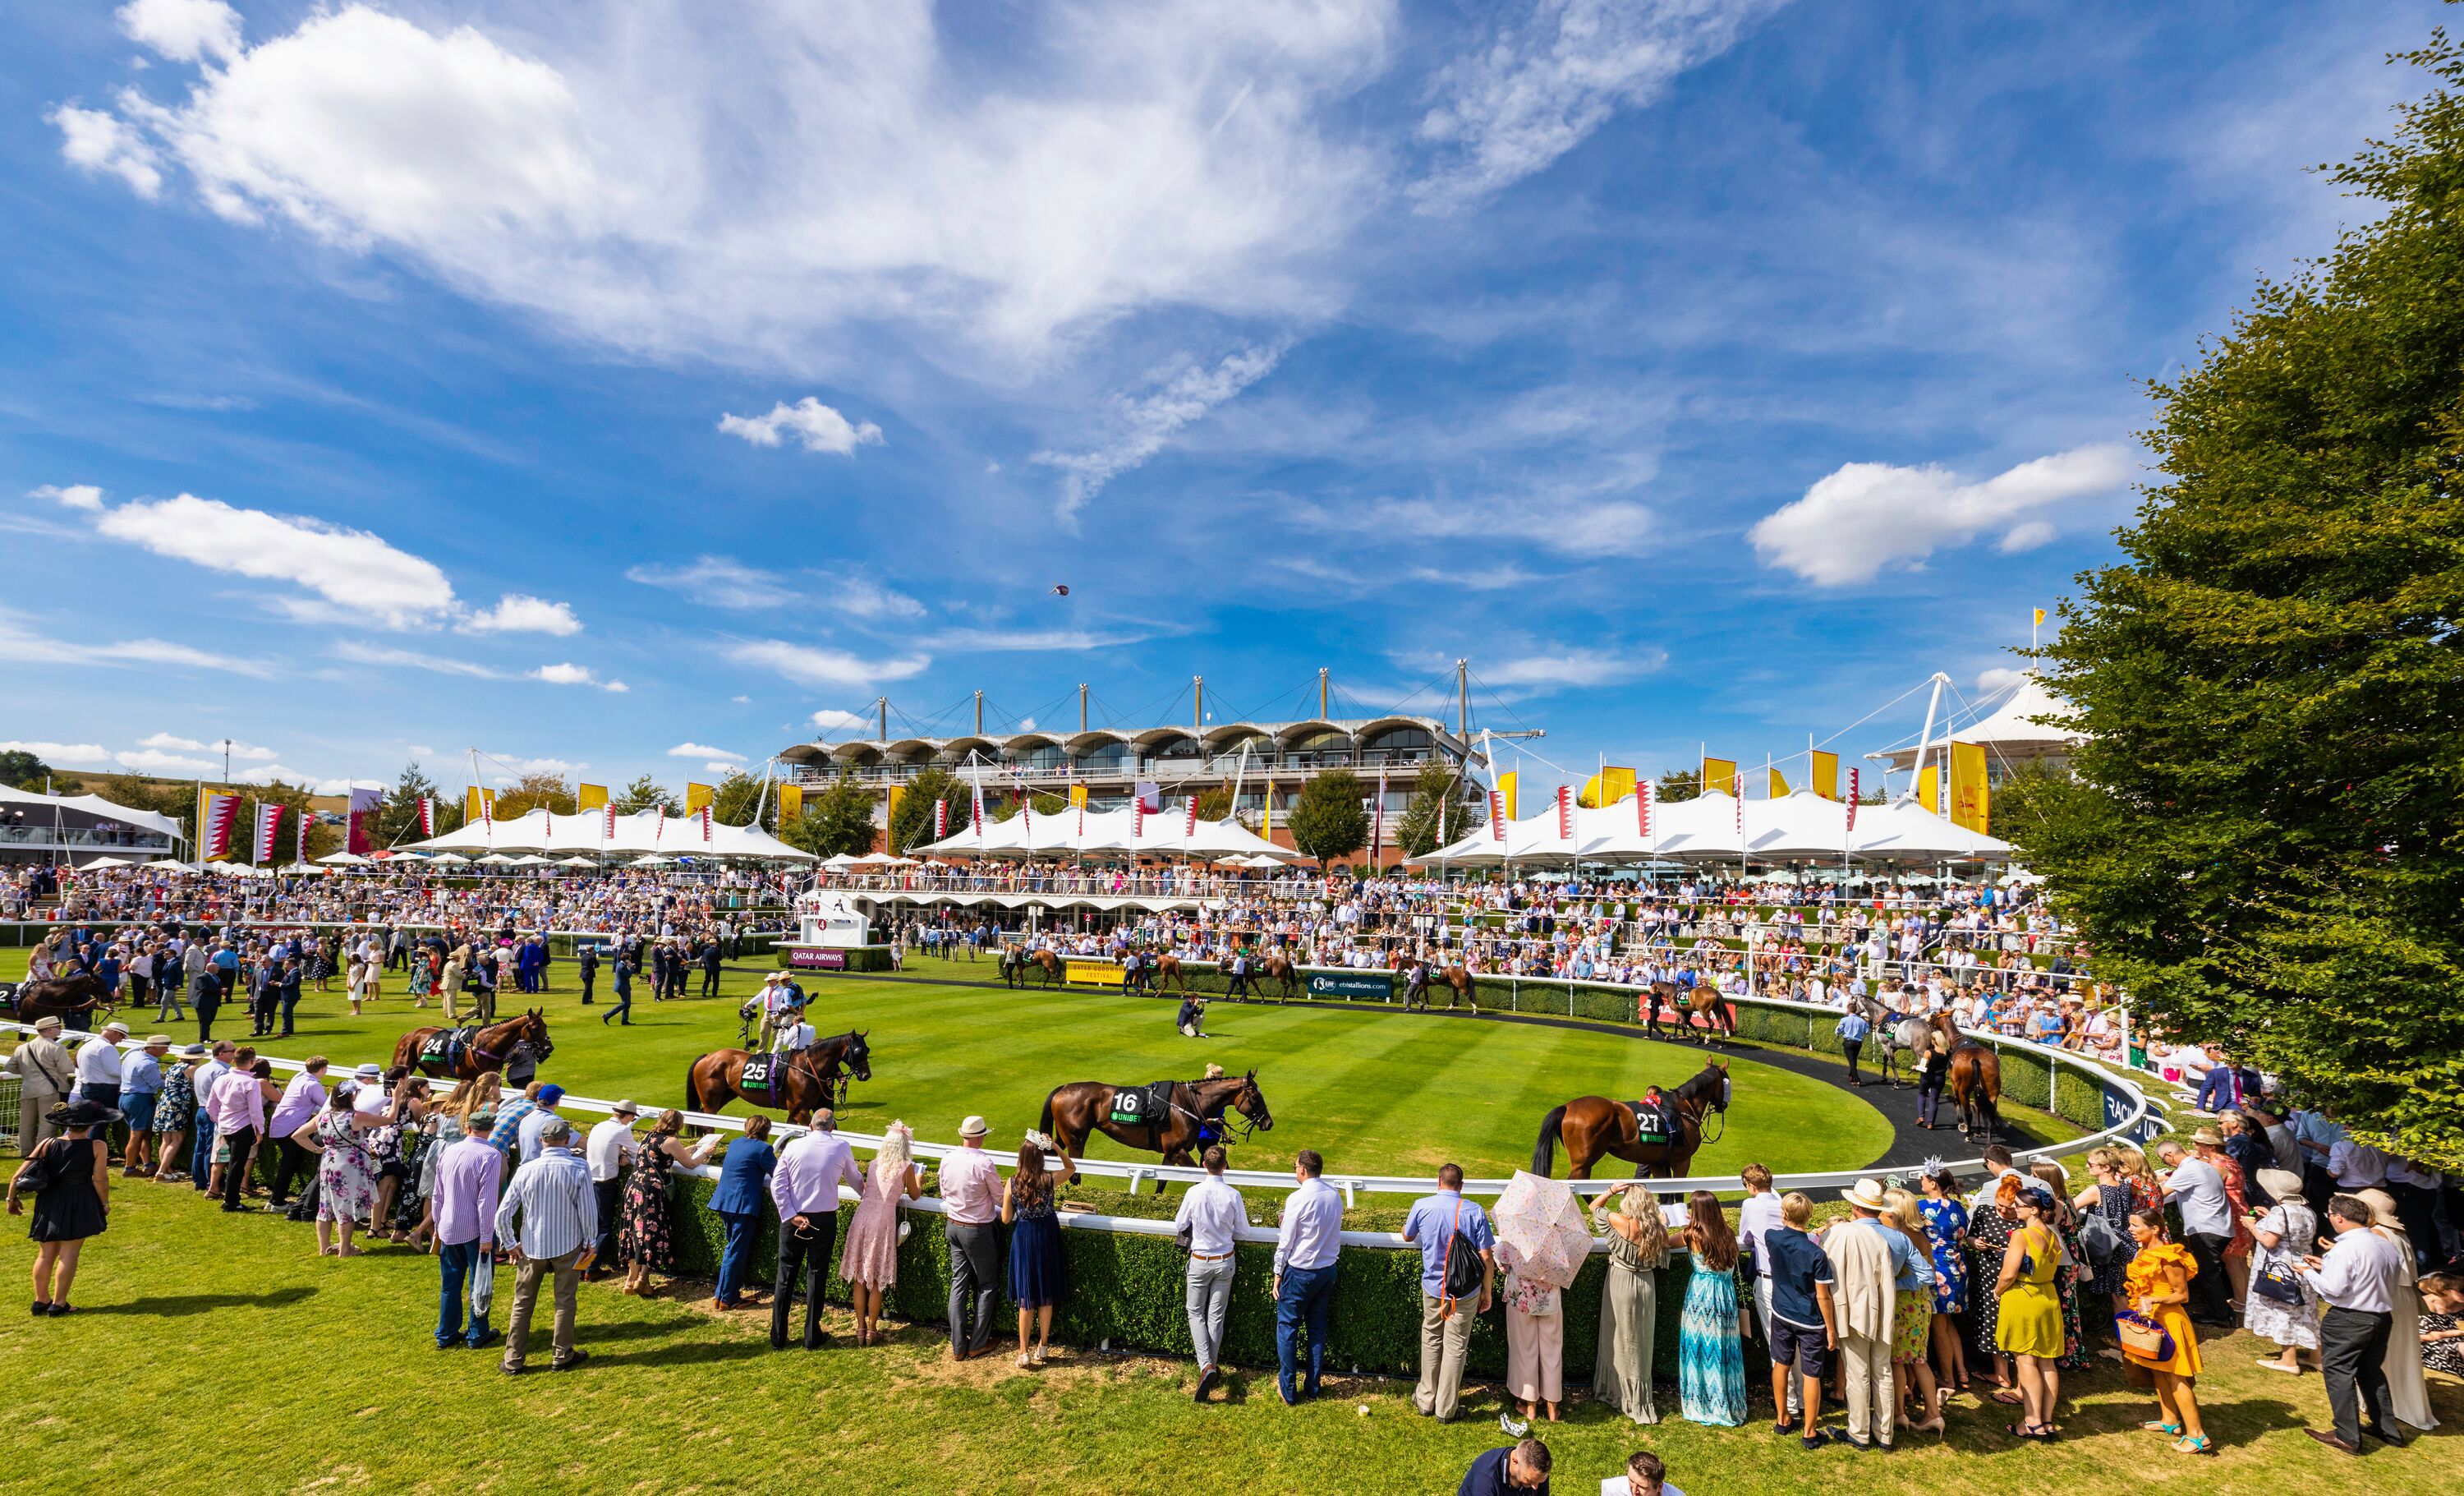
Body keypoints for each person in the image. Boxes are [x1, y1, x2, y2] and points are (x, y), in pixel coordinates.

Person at [2301, 1193, 2409, 1453]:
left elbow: (2333, 1290)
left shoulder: (2345, 1248)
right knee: (2371, 1373)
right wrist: (2325, 1265)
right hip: (2381, 1317)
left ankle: (2347, 1434)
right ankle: (2387, 1429)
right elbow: (2370, 1276)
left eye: (2330, 1215)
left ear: (2338, 1218)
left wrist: (2308, 1273)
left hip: (2349, 1319)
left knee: (2339, 1373)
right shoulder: (2385, 1244)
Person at [494, 1116, 597, 1374]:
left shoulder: (526, 1169)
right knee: (565, 1301)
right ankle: (561, 1355)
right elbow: (587, 1211)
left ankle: (514, 1360)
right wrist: (590, 1242)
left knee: (523, 1303)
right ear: (566, 1140)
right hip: (568, 1244)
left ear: (542, 1141)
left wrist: (510, 1244)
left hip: (531, 1247)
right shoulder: (578, 1167)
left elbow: (502, 1215)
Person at [1404, 1162, 1497, 1424]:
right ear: (1461, 1185)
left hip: (1434, 1289)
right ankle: (1446, 1409)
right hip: (1465, 1293)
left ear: (1439, 1182)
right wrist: (1487, 1291)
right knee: (1456, 1347)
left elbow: (1407, 1236)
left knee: (1432, 1339)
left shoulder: (1422, 1205)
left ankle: (1425, 1400)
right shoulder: (1475, 1211)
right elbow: (1487, 1256)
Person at [1825, 1178, 1909, 1450]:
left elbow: (1828, 1273)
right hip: (1881, 1309)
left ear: (1855, 1206)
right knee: (1882, 1371)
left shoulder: (1841, 1233)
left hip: (1852, 1311)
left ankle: (1859, 1433)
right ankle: (1884, 1434)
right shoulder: (1879, 1235)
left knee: (1858, 1372)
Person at [770, 1107, 864, 1351]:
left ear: (811, 1126)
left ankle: (778, 1336)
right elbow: (855, 1179)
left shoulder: (792, 1146)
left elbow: (777, 1184)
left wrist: (791, 1215)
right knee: (816, 1274)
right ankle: (812, 1335)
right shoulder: (841, 1146)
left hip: (794, 1219)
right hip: (822, 1220)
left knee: (786, 1276)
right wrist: (871, 1197)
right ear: (832, 1127)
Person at [9, 1098, 112, 1316]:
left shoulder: (47, 1143)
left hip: (49, 1200)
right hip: (79, 1199)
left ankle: (41, 1300)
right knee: (69, 1253)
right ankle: (59, 1303)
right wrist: (104, 1203)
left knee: (45, 1254)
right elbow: (100, 1180)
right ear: (91, 1124)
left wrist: (11, 1199)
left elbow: (17, 1176)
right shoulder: (97, 1146)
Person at [2120, 1206, 2209, 1453]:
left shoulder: (2170, 1256)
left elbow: (2182, 1294)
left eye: (2136, 1225)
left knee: (2176, 1376)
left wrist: (2154, 1300)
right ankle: (2169, 1420)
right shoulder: (2142, 1252)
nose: (2131, 1229)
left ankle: (2197, 1435)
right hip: (2151, 1319)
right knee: (2157, 1370)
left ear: (2155, 1229)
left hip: (2170, 1321)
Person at [2353, 1188, 2438, 1433]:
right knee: (2401, 1352)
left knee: (2383, 1353)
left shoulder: (2378, 1234)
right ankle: (2401, 1402)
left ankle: (2389, 1404)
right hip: (2404, 1297)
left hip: (2390, 1296)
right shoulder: (2398, 1232)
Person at [615, 1109, 723, 1296]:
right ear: (678, 1125)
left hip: (633, 1187)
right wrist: (705, 1153)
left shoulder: (650, 1136)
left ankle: (630, 1279)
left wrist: (691, 1149)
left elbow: (664, 1156)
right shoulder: (671, 1141)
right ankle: (643, 1280)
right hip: (650, 1191)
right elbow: (690, 1164)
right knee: (650, 1234)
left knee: (634, 1231)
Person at [1759, 1190, 1837, 1449]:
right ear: (1809, 1216)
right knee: (1811, 1374)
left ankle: (1783, 1419)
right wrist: (1831, 1330)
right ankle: (1810, 1431)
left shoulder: (1773, 1238)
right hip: (1810, 1319)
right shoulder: (1816, 1255)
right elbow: (1824, 1297)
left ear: (1784, 1214)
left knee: (1781, 1364)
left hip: (1781, 1312)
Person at [1589, 1181, 1669, 1425]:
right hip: (1646, 1283)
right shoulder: (1657, 1228)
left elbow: (1594, 1207)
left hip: (1620, 1281)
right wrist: (1662, 1220)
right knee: (1640, 1342)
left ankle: (1613, 1391)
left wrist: (1611, 1190)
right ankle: (1638, 1400)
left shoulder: (1620, 1221)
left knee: (1615, 1336)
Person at [1992, 1179, 2066, 1440]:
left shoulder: (2021, 1235)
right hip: (2048, 1297)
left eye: (2020, 1205)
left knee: (2025, 1361)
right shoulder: (2053, 1236)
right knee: (2047, 1362)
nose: (2015, 1208)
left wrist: (1997, 1291)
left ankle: (2032, 1421)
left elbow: (2009, 1272)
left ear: (2034, 1210)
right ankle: (2046, 1420)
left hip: (2024, 1298)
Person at [1174, 1142, 1245, 1401]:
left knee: (1195, 1313)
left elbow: (1180, 1223)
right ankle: (1210, 1367)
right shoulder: (1233, 1195)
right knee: (1215, 1316)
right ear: (1224, 1166)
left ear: (1204, 1165)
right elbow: (1245, 1231)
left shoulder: (1194, 1193)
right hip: (1225, 1261)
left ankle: (1206, 1367)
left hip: (1201, 1260)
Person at [1272, 1147, 1344, 1405]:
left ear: (1302, 1169)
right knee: (1316, 1329)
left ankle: (1288, 1390)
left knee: (1288, 1327)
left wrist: (1277, 1273)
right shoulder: (1335, 1196)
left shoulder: (1297, 1198)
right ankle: (1313, 1388)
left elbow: (1286, 1242)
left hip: (1301, 1272)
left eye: (1294, 1167)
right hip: (1326, 1272)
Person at [430, 1104, 503, 1349]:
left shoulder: (449, 1151)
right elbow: (486, 1201)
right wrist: (486, 1237)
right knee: (479, 1283)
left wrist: (438, 1226)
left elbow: (437, 1195)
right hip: (474, 1230)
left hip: (449, 1226)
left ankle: (446, 1333)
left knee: (450, 1285)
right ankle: (477, 1333)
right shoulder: (490, 1155)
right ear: (491, 1129)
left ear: (468, 1127)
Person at [844, 1120, 923, 1345]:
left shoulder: (874, 1163)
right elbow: (915, 1195)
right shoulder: (906, 1165)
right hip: (882, 1220)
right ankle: (871, 1329)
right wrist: (919, 1179)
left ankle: (860, 1329)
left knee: (860, 1276)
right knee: (877, 1277)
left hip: (863, 1216)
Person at [1676, 1189, 1749, 1427]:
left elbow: (1665, 1243)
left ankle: (1704, 1401)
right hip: (1725, 1295)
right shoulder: (1726, 1233)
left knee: (1698, 1347)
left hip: (1702, 1295)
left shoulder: (1692, 1235)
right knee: (1724, 1347)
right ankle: (1726, 1399)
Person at [1732, 1162, 1799, 1421]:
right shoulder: (1783, 1201)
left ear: (1750, 1186)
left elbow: (1745, 1237)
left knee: (1778, 1344)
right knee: (1797, 1342)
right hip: (1793, 1280)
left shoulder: (1751, 1205)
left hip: (1770, 1280)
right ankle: (1800, 1400)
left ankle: (1789, 1405)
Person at [936, 1114, 1003, 1361]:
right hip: (977, 1230)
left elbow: (944, 1191)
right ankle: (977, 1343)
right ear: (981, 1137)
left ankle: (958, 1346)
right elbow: (999, 1198)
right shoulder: (984, 1163)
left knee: (959, 1283)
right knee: (987, 1285)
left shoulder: (948, 1158)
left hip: (953, 1226)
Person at [1879, 1188, 1946, 1436]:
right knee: (1919, 1361)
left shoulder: (1899, 1237)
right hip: (1921, 1303)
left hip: (1903, 1303)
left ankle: (1899, 1414)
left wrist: (1895, 1285)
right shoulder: (1920, 1236)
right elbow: (1930, 1272)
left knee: (1896, 1360)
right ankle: (1932, 1413)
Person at [2246, 1167, 2322, 1374]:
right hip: (2303, 1265)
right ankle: (2317, 1357)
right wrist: (2270, 1216)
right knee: (2306, 1310)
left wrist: (2251, 1226)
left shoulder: (2282, 1211)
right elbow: (2293, 1232)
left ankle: (2289, 1361)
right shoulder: (2307, 1210)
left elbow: (2270, 1242)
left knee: (2284, 1311)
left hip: (2281, 1267)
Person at [1004, 1131, 1069, 1367]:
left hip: (1024, 1237)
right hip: (1047, 1235)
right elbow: (1071, 1168)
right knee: (1046, 1294)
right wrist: (1056, 1147)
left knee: (1026, 1296)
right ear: (1040, 1157)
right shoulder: (1049, 1180)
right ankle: (1043, 1346)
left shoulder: (1012, 1183)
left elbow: (1005, 1218)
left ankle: (1023, 1351)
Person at [2156, 1140, 2236, 1326]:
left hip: (2206, 1228)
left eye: (2164, 1159)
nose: (2166, 1163)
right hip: (2219, 1226)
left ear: (2169, 1155)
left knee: (2209, 1273)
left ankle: (2221, 1315)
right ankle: (2223, 1309)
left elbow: (2158, 1193)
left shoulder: (2187, 1171)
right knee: (2213, 1271)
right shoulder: (2203, 1165)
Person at [1497, 1223, 1565, 1433]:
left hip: (1521, 1300)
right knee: (1552, 1352)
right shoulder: (1556, 1234)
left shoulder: (1514, 1233)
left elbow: (1502, 1264)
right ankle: (1553, 1408)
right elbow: (1566, 1266)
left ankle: (1530, 1407)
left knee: (1524, 1351)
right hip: (1550, 1301)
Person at [708, 1115, 776, 1311]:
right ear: (766, 1131)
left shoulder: (736, 1143)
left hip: (725, 1201)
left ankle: (722, 1295)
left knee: (731, 1249)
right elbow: (779, 1173)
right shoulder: (764, 1149)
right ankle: (729, 1298)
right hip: (742, 1206)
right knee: (736, 1251)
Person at [205, 1044, 266, 1212]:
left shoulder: (222, 1079)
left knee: (234, 1163)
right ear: (252, 1062)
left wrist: (220, 1122)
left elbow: (211, 1106)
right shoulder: (250, 1083)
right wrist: (260, 1130)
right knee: (236, 1165)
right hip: (242, 1128)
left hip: (226, 1127)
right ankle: (231, 1202)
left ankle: (230, 1199)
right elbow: (255, 1110)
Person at [265, 1056, 330, 1209]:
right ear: (323, 1069)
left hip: (280, 1124)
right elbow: (327, 1106)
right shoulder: (313, 1085)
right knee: (289, 1165)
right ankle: (277, 1202)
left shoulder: (299, 1077)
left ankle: (274, 1200)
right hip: (290, 1127)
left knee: (288, 1164)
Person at [583, 1099, 639, 1276]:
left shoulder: (599, 1126)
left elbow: (608, 1148)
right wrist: (624, 1153)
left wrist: (620, 1152)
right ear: (629, 1116)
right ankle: (590, 1268)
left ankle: (582, 1267)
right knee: (603, 1229)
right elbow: (636, 1152)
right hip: (604, 1185)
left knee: (591, 1227)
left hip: (588, 1182)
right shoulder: (622, 1129)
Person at [5, 1015, 73, 1157]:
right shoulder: (57, 1048)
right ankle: (42, 1152)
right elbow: (66, 1068)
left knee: (26, 1123)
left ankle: (26, 1151)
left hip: (28, 1089)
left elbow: (10, 1067)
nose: (60, 1030)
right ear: (49, 1029)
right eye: (58, 1027)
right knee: (47, 1123)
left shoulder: (22, 1047)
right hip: (50, 1090)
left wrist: (26, 1072)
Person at [118, 1034, 168, 1179]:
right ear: (152, 1048)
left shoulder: (133, 1055)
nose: (166, 1050)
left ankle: (148, 1165)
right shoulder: (149, 1064)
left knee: (144, 1134)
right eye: (164, 1048)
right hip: (140, 1100)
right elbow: (158, 1084)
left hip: (126, 1098)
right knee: (137, 1135)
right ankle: (129, 1168)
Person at [1457, 1438, 1550, 1495]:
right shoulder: (1486, 1479)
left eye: (1540, 1481)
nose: (1535, 1487)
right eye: (1529, 1481)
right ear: (1515, 1461)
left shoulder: (1537, 1473)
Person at [72, 1020, 128, 1116]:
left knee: (91, 1121)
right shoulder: (107, 1047)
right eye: (121, 1038)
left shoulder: (87, 1045)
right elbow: (114, 1071)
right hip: (103, 1090)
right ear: (116, 1034)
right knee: (100, 1123)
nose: (120, 1041)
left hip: (87, 1087)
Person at [516, 1084, 568, 1165]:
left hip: (525, 1167)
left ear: (537, 1099)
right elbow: (579, 1142)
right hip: (544, 1167)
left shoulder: (526, 1119)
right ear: (557, 1102)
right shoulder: (554, 1121)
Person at [1602, 1449, 1683, 1496]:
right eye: (1631, 1480)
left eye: (1642, 1487)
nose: (1634, 1491)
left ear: (1659, 1486)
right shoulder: (1611, 1489)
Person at [1835, 1006, 1870, 1086]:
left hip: (1848, 1042)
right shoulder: (1862, 1021)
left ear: (1848, 1010)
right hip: (1858, 1043)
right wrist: (1867, 1023)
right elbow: (1867, 1032)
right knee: (1854, 1060)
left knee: (1852, 1062)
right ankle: (1851, 1075)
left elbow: (1838, 1031)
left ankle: (1857, 1079)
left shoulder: (1844, 1020)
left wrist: (1838, 1031)